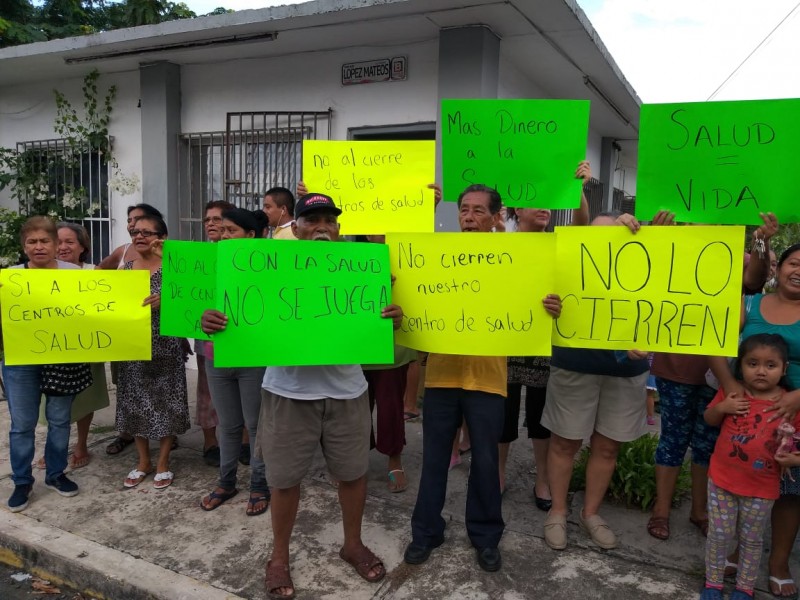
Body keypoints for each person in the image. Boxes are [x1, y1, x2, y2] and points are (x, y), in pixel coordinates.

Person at [202, 193, 403, 599]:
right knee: (283, 480)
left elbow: (383, 323)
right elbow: (233, 314)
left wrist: (393, 318)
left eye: (330, 220)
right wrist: (212, 322)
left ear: (340, 230)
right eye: (312, 221)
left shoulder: (363, 268)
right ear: (296, 228)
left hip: (348, 392)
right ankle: (279, 556)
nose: (323, 227)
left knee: (352, 474)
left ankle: (352, 543)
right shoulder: (267, 267)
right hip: (288, 393)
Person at [403, 184, 562, 573]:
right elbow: (407, 270)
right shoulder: (438, 256)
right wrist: (425, 207)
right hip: (441, 376)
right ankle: (426, 532)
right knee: (435, 460)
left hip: (489, 381)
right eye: (464, 211)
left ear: (496, 218)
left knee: (488, 462)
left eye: (478, 211)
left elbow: (538, 297)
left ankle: (486, 535)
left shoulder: (517, 258)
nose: (469, 217)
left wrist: (549, 309)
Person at [541, 210, 651, 551]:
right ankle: (557, 511)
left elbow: (663, 301)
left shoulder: (640, 265)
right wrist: (549, 306)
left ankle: (591, 513)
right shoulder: (567, 263)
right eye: (596, 234)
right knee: (564, 442)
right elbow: (536, 293)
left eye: (613, 233)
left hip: (625, 371)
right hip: (575, 363)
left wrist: (649, 342)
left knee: (607, 446)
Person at [709, 242, 800, 599]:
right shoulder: (751, 304)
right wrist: (730, 385)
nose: (799, 270)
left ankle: (778, 563)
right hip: (747, 405)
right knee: (740, 482)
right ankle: (735, 557)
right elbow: (713, 340)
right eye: (794, 262)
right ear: (779, 268)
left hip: (794, 412)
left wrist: (797, 396)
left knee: (791, 489)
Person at [500, 160, 591, 503]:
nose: (544, 208)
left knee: (541, 417)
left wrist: (579, 189)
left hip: (544, 342)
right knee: (503, 412)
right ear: (518, 209)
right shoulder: (501, 246)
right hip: (506, 340)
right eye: (535, 201)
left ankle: (542, 480)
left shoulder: (558, 244)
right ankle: (498, 473)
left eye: (549, 202)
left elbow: (583, 230)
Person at [700, 334, 800, 600]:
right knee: (719, 536)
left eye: (770, 365)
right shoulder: (734, 393)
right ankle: (713, 583)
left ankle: (745, 587)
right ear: (740, 365)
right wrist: (723, 406)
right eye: (753, 363)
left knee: (752, 540)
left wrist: (795, 460)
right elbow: (709, 419)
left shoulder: (790, 404)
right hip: (721, 480)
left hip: (762, 487)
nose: (761, 371)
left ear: (784, 369)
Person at [2, 216, 81, 511]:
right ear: (24, 246)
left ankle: (56, 474)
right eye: (32, 242)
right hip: (20, 361)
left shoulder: (75, 274)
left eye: (44, 241)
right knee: (22, 425)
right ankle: (22, 481)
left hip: (63, 359)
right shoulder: (10, 278)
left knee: (60, 421)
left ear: (56, 243)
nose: (38, 247)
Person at [199, 208, 270, 516]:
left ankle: (259, 485)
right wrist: (203, 317)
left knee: (255, 426)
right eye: (222, 230)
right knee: (228, 425)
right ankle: (226, 482)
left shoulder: (269, 268)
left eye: (232, 230)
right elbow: (190, 303)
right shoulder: (205, 266)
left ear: (251, 235)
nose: (224, 234)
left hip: (253, 359)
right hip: (215, 358)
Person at [116, 215, 190, 490]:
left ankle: (163, 462)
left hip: (166, 347)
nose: (140, 237)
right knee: (135, 403)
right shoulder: (126, 269)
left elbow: (193, 302)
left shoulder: (175, 268)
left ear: (162, 236)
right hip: (133, 350)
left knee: (167, 403)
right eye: (136, 232)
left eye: (148, 232)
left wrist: (169, 302)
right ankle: (143, 461)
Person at [34, 223, 110, 471]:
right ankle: (54, 448)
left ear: (83, 247)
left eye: (70, 242)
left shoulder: (93, 272)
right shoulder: (38, 273)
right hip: (52, 351)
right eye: (59, 242)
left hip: (86, 348)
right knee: (52, 402)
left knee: (85, 399)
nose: (63, 247)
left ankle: (81, 445)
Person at [99, 202, 164, 456]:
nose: (137, 233)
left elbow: (189, 295)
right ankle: (137, 449)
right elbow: (99, 278)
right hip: (130, 341)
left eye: (144, 230)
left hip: (164, 342)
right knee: (133, 395)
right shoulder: (124, 260)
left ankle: (164, 449)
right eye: (133, 227)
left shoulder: (174, 262)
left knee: (164, 396)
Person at [195, 200, 235, 467]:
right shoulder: (195, 258)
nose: (211, 223)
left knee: (242, 391)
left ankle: (242, 440)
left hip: (240, 336)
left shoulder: (241, 254)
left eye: (217, 219)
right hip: (206, 336)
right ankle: (210, 441)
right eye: (207, 219)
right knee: (206, 391)